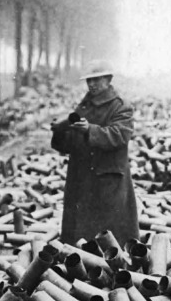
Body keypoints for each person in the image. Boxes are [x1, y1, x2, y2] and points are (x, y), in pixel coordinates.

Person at [51, 60, 139, 247]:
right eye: (89, 81)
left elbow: (119, 135)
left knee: (111, 233)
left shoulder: (121, 106)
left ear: (108, 80)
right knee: (80, 231)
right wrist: (59, 132)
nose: (91, 84)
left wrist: (89, 130)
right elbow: (71, 143)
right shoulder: (84, 107)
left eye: (96, 80)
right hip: (82, 177)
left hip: (107, 178)